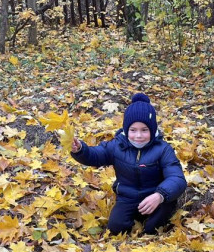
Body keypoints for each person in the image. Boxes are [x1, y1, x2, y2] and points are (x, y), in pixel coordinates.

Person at [70, 92, 187, 235]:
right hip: (128, 197)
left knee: (152, 229)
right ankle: (135, 217)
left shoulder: (163, 149)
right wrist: (81, 150)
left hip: (156, 196)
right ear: (126, 129)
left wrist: (160, 195)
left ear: (153, 130)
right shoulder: (117, 146)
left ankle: (164, 209)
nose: (138, 136)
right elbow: (95, 155)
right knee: (116, 228)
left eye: (144, 130)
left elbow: (177, 178)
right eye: (133, 130)